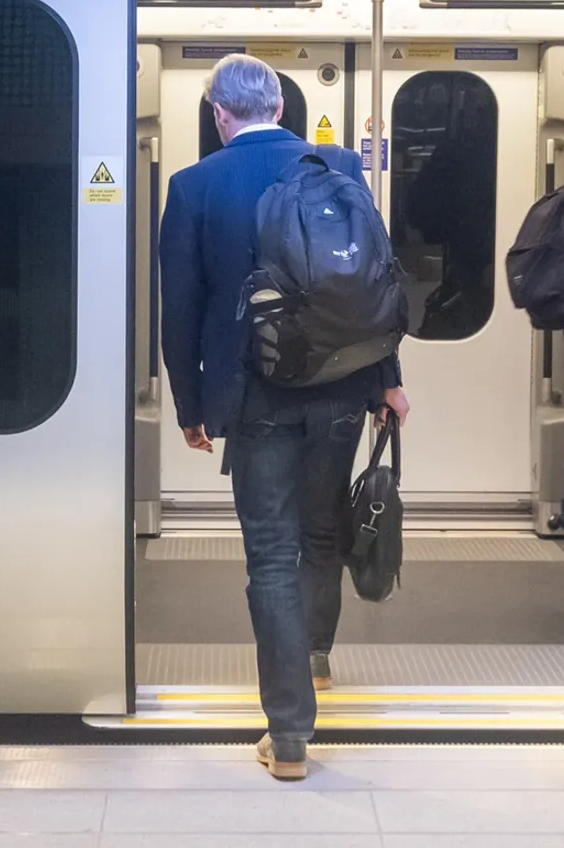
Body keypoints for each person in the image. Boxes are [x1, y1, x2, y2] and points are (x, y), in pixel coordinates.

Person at [159, 53, 411, 782]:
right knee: (320, 534)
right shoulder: (337, 168)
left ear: (219, 115)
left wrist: (190, 405)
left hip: (254, 398)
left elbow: (182, 312)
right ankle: (318, 660)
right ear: (280, 104)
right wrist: (386, 380)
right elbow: (372, 283)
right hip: (341, 390)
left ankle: (291, 733)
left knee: (269, 553)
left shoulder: (195, 185)